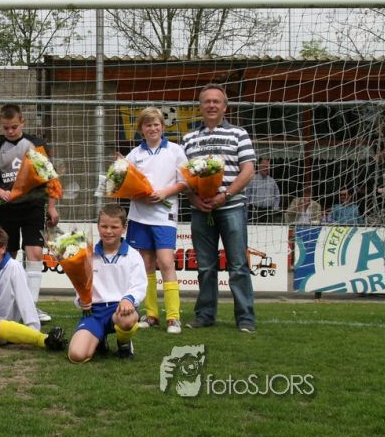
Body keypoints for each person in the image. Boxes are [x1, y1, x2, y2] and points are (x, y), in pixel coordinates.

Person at [182, 84, 256, 333]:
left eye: (216, 101)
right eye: (207, 101)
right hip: (200, 210)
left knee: (238, 265)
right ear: (200, 107)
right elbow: (183, 176)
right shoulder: (188, 139)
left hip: (232, 206)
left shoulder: (239, 134)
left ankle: (245, 318)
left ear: (225, 107)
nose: (211, 105)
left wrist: (226, 194)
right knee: (205, 266)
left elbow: (248, 170)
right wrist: (194, 199)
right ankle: (205, 315)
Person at [0, 103, 59, 323]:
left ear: (22, 122)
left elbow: (50, 178)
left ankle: (31, 307)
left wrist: (52, 206)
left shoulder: (36, 144)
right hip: (7, 210)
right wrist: (1, 193)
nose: (10, 131)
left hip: (33, 206)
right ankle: (6, 304)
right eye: (6, 128)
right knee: (8, 256)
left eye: (14, 127)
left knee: (35, 253)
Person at [125, 107, 187, 335]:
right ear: (141, 129)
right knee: (146, 264)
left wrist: (163, 193)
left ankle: (173, 317)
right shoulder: (133, 155)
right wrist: (138, 195)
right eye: (148, 125)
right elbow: (124, 187)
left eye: (156, 124)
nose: (153, 128)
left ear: (162, 126)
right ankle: (151, 314)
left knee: (166, 262)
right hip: (139, 216)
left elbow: (185, 182)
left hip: (164, 216)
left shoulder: (176, 151)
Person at [67, 204, 147, 363]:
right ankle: (99, 339)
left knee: (128, 319)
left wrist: (128, 299)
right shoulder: (87, 254)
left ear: (123, 228)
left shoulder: (133, 255)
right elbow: (80, 284)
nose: (108, 231)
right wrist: (81, 300)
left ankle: (124, 344)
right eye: (104, 226)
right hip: (94, 313)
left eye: (114, 227)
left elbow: (139, 285)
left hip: (120, 310)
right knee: (76, 355)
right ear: (98, 226)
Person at [246, 158, 281, 224]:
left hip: (268, 212)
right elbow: (247, 195)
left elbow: (277, 196)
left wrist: (274, 209)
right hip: (254, 212)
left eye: (267, 166)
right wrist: (247, 209)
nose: (265, 168)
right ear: (259, 167)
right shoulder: (252, 179)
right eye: (263, 166)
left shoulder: (272, 181)